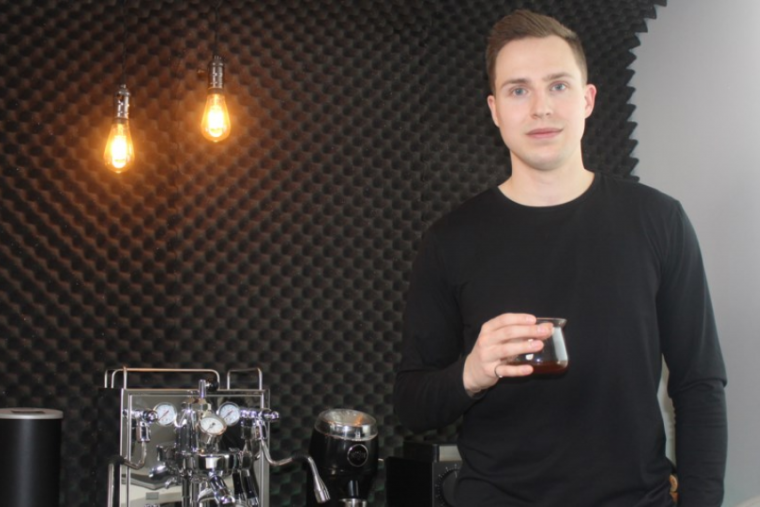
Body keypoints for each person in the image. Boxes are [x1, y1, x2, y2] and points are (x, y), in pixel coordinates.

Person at [393, 9, 727, 507]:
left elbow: (699, 384)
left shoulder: (660, 221)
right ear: (495, 110)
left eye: (558, 86)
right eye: (518, 90)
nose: (540, 108)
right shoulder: (450, 240)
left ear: (588, 99)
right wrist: (472, 372)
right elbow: (412, 403)